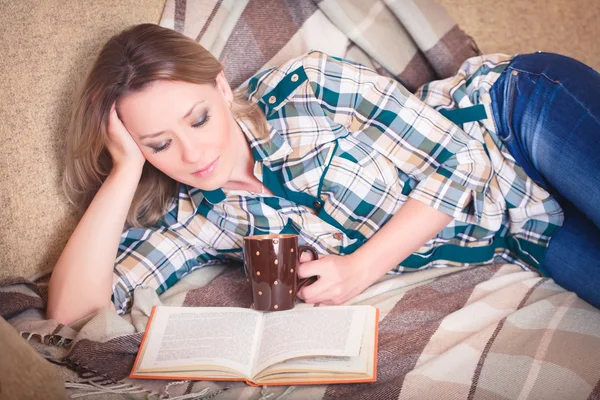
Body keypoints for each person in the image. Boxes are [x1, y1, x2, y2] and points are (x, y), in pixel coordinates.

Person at [47, 23, 600, 325]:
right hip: (522, 225)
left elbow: (465, 163)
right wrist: (124, 171)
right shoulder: (196, 218)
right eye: (160, 143)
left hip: (515, 118)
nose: (193, 154)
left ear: (220, 87)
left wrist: (362, 268)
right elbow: (74, 311)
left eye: (199, 118)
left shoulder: (307, 87)